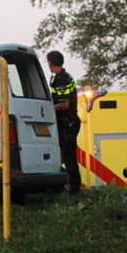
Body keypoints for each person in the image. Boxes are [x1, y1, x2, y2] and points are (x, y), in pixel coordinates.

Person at [47, 51, 82, 194]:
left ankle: (74, 189)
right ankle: (69, 187)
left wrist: (48, 109)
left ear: (50, 63)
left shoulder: (61, 79)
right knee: (66, 156)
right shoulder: (65, 77)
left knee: (68, 157)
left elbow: (64, 104)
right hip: (70, 122)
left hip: (68, 123)